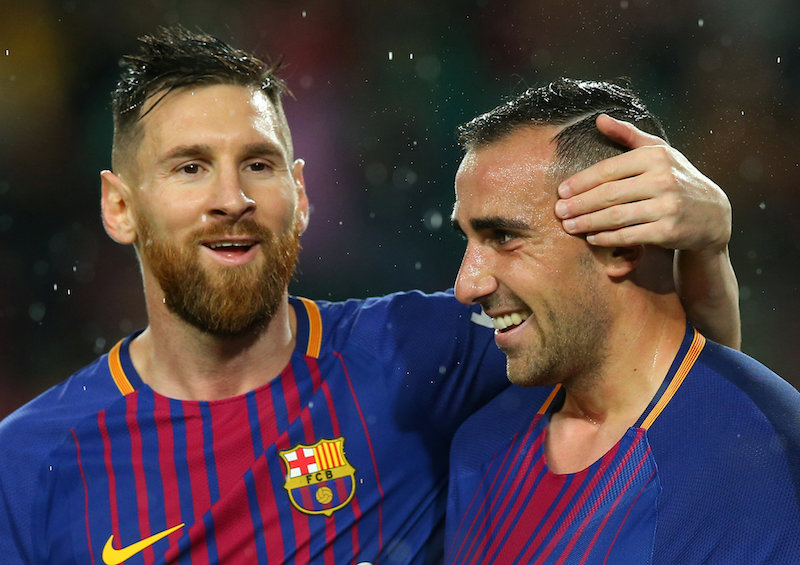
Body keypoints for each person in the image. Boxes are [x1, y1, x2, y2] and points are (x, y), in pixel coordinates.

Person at [0, 28, 738, 564]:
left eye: (257, 164)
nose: (232, 198)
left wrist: (706, 245)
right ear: (120, 206)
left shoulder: (421, 354)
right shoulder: (31, 464)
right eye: (190, 167)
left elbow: (674, 384)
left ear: (299, 194)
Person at [445, 78, 800, 564]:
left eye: (504, 236)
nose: (466, 285)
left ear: (621, 245)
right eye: (467, 239)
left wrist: (712, 243)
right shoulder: (480, 444)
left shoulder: (763, 464)